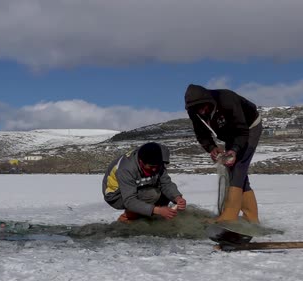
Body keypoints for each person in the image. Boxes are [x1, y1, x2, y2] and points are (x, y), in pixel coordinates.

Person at [184, 84, 262, 223]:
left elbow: (242, 130)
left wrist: (235, 150)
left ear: (209, 100)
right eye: (198, 109)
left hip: (249, 128)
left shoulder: (227, 99)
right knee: (233, 170)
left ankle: (229, 217)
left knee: (238, 167)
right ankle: (252, 218)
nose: (202, 111)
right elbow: (202, 134)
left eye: (203, 107)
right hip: (230, 134)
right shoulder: (194, 111)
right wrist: (212, 148)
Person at [102, 142, 187, 223]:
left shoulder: (158, 160)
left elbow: (166, 184)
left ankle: (150, 217)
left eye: (157, 167)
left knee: (165, 194)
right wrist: (157, 210)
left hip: (139, 186)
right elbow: (129, 200)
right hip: (116, 195)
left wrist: (177, 198)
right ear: (141, 162)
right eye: (151, 167)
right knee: (152, 194)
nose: (154, 169)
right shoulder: (126, 169)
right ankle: (128, 218)